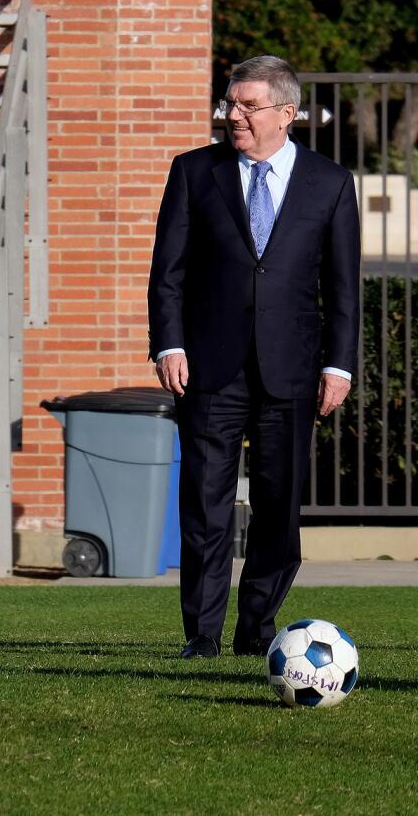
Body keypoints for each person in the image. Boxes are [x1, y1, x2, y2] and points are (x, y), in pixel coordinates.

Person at [148, 54, 359, 659]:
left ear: (286, 113)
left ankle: (257, 631)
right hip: (209, 368)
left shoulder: (329, 182)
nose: (232, 115)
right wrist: (170, 342)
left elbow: (343, 287)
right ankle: (202, 634)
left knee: (277, 509)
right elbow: (169, 273)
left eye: (247, 105)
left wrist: (338, 365)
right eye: (230, 103)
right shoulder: (195, 172)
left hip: (291, 371)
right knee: (205, 506)